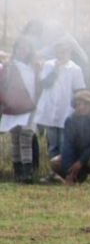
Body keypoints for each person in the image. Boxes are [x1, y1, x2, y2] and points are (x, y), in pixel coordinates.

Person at [34, 41, 86, 168]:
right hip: (50, 110)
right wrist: (55, 70)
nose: (61, 55)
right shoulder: (48, 65)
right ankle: (54, 171)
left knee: (64, 144)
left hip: (66, 111)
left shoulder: (75, 69)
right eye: (58, 52)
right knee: (52, 145)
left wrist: (78, 109)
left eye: (64, 52)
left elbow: (79, 90)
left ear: (69, 53)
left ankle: (65, 171)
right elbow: (45, 83)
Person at [0, 37, 40, 183]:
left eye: (26, 48)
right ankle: (18, 171)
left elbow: (39, 85)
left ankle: (27, 173)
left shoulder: (35, 66)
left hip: (31, 105)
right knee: (15, 139)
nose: (23, 51)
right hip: (13, 104)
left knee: (26, 137)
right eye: (20, 48)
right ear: (15, 49)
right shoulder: (9, 66)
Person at [51, 90, 90, 184]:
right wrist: (68, 170)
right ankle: (76, 177)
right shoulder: (71, 120)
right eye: (76, 105)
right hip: (77, 155)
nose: (78, 108)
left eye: (80, 104)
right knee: (55, 162)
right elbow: (68, 145)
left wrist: (80, 162)